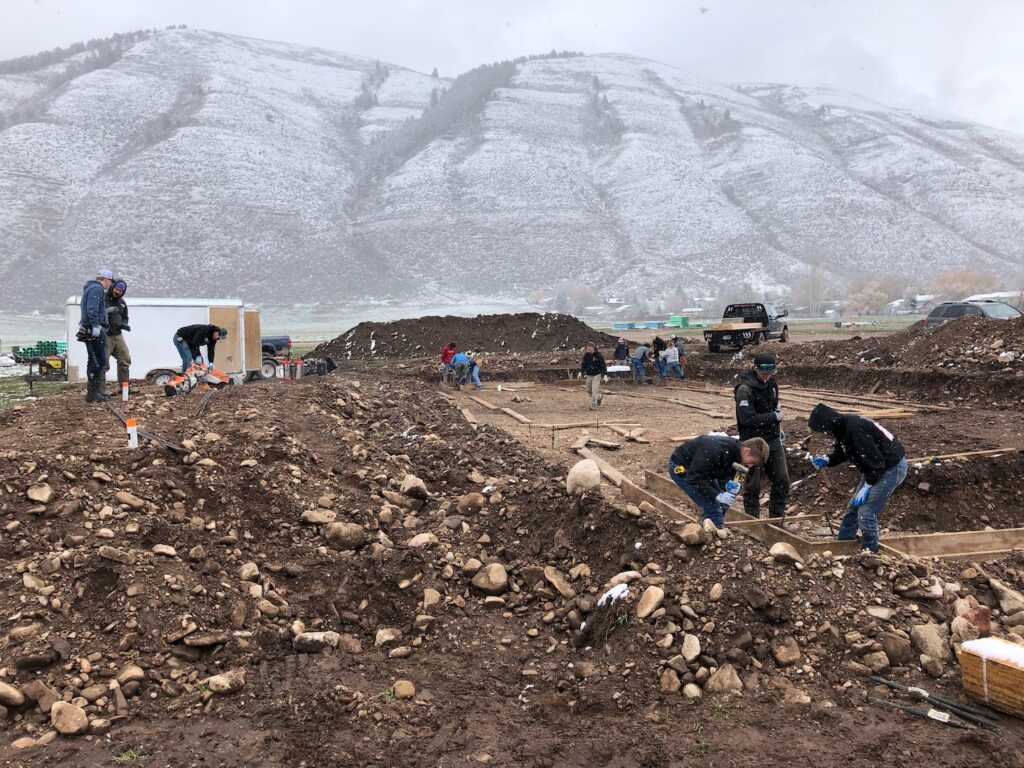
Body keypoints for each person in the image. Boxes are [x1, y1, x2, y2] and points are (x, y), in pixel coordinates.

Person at [807, 403, 908, 553]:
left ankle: (870, 552)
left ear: (826, 425)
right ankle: (843, 545)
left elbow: (876, 462)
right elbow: (845, 450)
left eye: (821, 431)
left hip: (891, 468)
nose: (823, 434)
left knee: (866, 513)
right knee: (853, 508)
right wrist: (828, 459)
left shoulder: (854, 429)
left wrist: (868, 485)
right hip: (877, 468)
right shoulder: (842, 427)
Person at [668, 435, 770, 528]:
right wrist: (717, 495)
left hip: (702, 472)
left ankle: (705, 527)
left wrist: (727, 484)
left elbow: (721, 472)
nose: (750, 466)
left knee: (722, 506)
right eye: (751, 461)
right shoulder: (715, 450)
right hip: (682, 468)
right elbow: (694, 478)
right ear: (747, 450)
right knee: (714, 509)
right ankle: (712, 532)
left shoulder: (734, 452)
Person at [733, 352, 788, 519]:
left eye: (769, 373)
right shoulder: (744, 390)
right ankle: (752, 520)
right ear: (755, 369)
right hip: (752, 441)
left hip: (772, 438)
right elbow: (747, 419)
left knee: (782, 480)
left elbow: (774, 405)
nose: (766, 377)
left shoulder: (772, 383)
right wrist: (773, 417)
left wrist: (776, 422)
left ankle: (776, 519)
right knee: (753, 484)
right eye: (764, 373)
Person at [78, 268, 113, 403]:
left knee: (94, 360)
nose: (110, 284)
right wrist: (95, 326)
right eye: (110, 281)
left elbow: (93, 309)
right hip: (94, 329)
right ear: (106, 280)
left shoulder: (90, 288)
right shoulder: (97, 289)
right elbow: (92, 309)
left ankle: (94, 392)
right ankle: (93, 394)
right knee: (98, 361)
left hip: (90, 328)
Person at [105, 279, 132, 394]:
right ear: (112, 287)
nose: (118, 292)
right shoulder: (102, 299)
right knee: (103, 363)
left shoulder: (122, 302)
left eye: (121, 291)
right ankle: (101, 389)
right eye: (117, 289)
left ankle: (124, 388)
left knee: (125, 360)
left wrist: (124, 324)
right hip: (105, 335)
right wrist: (107, 311)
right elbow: (96, 313)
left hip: (118, 334)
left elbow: (125, 316)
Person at [580, 342, 607, 410]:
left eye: (589, 347)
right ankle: (599, 397)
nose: (588, 349)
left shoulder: (598, 355)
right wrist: (581, 372)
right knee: (588, 390)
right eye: (587, 347)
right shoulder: (586, 355)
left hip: (597, 374)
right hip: (589, 374)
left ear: (593, 348)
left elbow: (603, 365)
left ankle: (594, 405)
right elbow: (583, 364)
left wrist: (605, 375)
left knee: (594, 390)